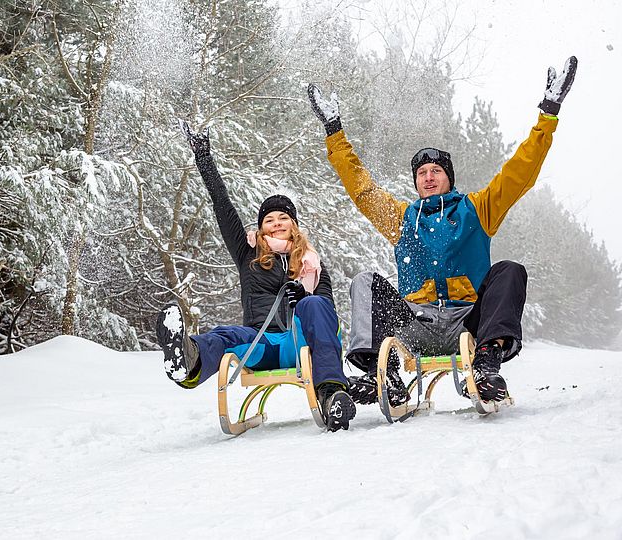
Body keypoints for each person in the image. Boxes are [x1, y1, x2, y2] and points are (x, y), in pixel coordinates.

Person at [307, 56, 577, 406]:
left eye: (436, 170)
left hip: (469, 320)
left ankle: (486, 364)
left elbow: (519, 173)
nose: (429, 176)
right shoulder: (401, 217)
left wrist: (548, 114)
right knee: (364, 281)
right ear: (416, 183)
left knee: (510, 271)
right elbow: (362, 189)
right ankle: (381, 375)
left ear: (448, 178)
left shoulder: (477, 208)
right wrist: (334, 132)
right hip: (415, 325)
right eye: (422, 173)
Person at [155, 121, 356, 431]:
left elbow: (326, 312)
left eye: (283, 218)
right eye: (269, 219)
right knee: (227, 335)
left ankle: (331, 395)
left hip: (300, 343)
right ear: (261, 227)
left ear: (294, 225)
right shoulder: (247, 253)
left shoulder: (312, 262)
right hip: (260, 343)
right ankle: (187, 360)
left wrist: (305, 297)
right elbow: (223, 207)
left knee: (316, 306)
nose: (276, 223)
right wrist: (204, 158)